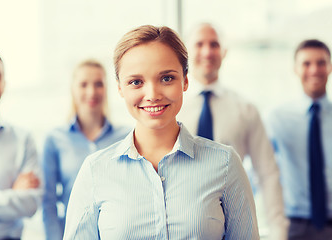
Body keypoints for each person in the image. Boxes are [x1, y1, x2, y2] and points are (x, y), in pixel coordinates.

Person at [63, 25, 259, 240]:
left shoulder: (225, 164)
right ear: (120, 88)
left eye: (166, 78)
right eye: (136, 82)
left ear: (185, 80)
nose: (152, 95)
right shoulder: (95, 171)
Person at [177, 22, 287, 239]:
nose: (207, 52)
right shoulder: (172, 108)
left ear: (224, 52)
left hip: (234, 226)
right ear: (187, 52)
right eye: (200, 44)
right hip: (183, 225)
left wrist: (278, 232)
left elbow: (267, 174)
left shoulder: (245, 109)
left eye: (214, 44)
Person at [42, 59, 130, 240]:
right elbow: (47, 202)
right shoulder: (55, 139)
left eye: (98, 84)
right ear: (73, 89)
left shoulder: (127, 137)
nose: (91, 92)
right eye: (83, 84)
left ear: (107, 88)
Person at [0, 47, 42, 239]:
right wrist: (11, 196)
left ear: (4, 84)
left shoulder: (23, 139)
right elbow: (20, 202)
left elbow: (31, 204)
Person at [266, 39, 332, 239]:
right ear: (295, 69)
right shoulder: (277, 118)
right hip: (294, 225)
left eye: (321, 63)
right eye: (306, 63)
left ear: (329, 67)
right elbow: (262, 172)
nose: (314, 70)